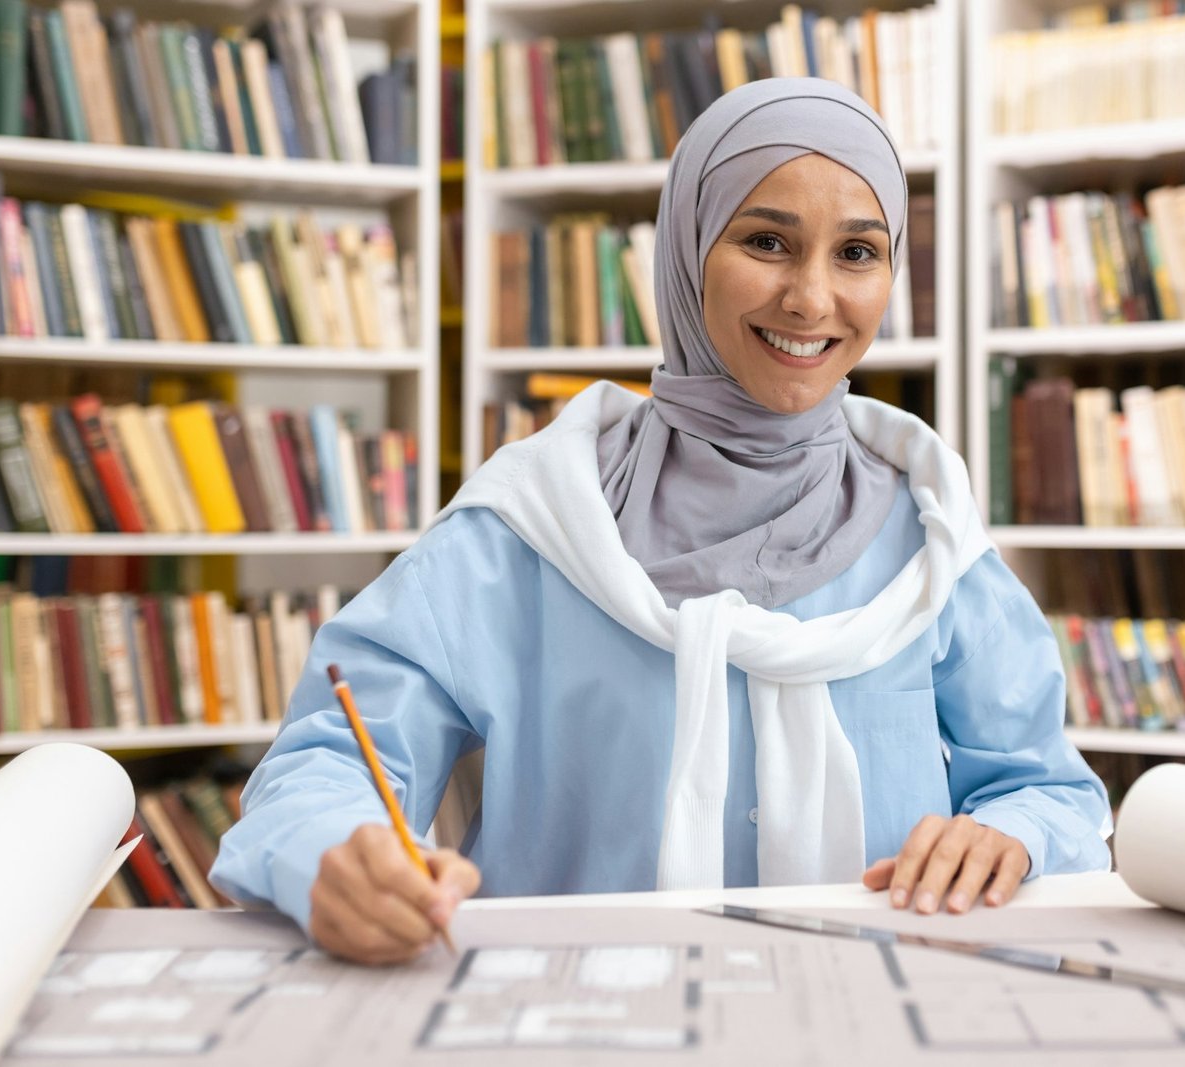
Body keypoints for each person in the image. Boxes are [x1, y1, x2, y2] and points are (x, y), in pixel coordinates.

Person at [210, 78, 1112, 966]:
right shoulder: (528, 527)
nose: (810, 298)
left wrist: (1011, 836)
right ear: (685, 250)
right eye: (767, 241)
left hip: (873, 1018)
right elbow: (327, 765)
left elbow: (1045, 786)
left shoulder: (931, 538)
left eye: (858, 253)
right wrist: (333, 855)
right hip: (566, 1022)